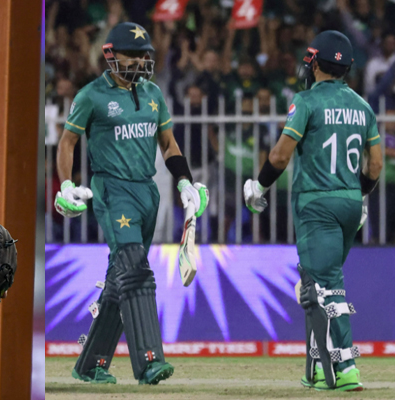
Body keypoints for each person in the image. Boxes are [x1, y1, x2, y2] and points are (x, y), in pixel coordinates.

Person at [55, 22, 209, 385]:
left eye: (145, 55)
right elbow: (67, 143)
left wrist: (184, 180)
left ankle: (91, 365)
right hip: (112, 190)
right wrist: (66, 183)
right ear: (111, 55)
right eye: (133, 54)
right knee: (136, 270)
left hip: (147, 191)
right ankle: (150, 361)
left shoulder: (154, 93)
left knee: (120, 276)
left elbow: (168, 145)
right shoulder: (91, 96)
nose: (141, 61)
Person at [244, 30, 382, 392]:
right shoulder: (363, 106)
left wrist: (259, 186)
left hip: (316, 203)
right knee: (315, 283)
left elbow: (279, 155)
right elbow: (376, 165)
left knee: (325, 287)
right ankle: (316, 369)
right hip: (350, 203)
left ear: (316, 62)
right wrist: (360, 196)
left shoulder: (305, 101)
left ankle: (345, 366)